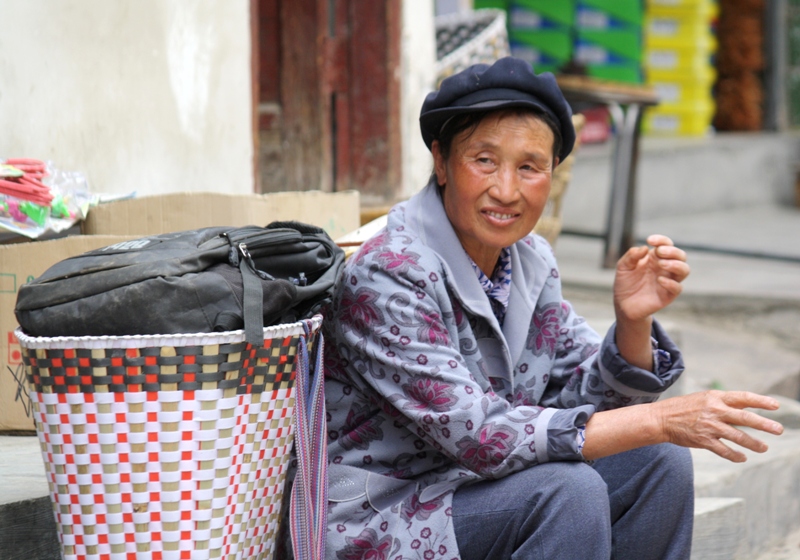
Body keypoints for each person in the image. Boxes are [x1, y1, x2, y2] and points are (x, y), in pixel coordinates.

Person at [321, 57, 783, 560]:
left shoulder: (530, 258)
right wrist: (661, 418)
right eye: (484, 160)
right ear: (441, 161)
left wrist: (632, 321)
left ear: (552, 173)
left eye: (529, 167)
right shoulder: (389, 271)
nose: (506, 190)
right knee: (568, 491)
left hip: (480, 488)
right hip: (385, 513)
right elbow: (479, 434)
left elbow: (579, 397)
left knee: (659, 459)